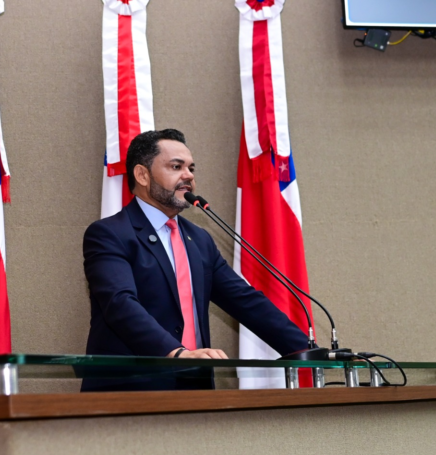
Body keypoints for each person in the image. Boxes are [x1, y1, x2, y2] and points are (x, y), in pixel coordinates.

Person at [81, 129, 309, 391]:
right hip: (130, 389)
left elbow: (245, 301)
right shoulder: (110, 234)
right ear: (142, 175)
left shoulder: (199, 239)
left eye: (191, 168)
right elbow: (119, 304)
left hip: (194, 388)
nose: (188, 175)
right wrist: (176, 353)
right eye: (176, 167)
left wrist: (307, 349)